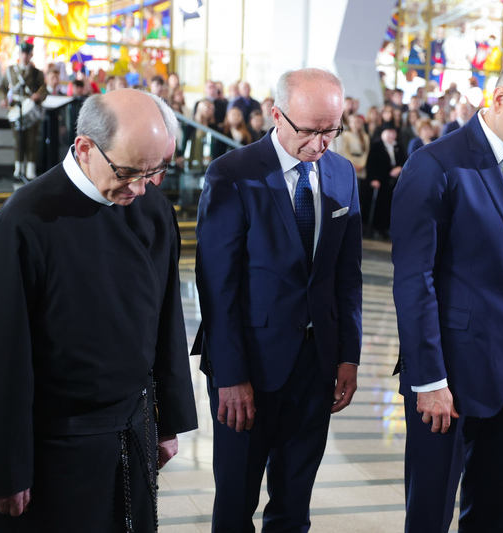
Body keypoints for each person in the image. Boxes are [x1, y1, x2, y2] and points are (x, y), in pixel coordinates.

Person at [0, 89, 198, 531]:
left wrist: (168, 421)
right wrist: (3, 468)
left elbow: (167, 318)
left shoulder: (152, 207)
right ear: (85, 148)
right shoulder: (23, 223)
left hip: (131, 430)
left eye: (155, 171)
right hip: (55, 444)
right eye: (128, 172)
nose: (140, 188)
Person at [391, 47, 503, 533]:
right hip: (447, 376)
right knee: (430, 514)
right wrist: (429, 380)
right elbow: (415, 281)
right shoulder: (435, 165)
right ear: (499, 97)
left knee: (495, 514)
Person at [193, 67, 363, 531]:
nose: (320, 143)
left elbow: (347, 276)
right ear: (276, 115)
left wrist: (348, 356)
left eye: (331, 130)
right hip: (248, 364)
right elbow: (216, 286)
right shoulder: (233, 174)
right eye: (308, 131)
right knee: (236, 501)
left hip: (316, 365)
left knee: (294, 501)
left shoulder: (342, 173)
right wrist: (231, 377)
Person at [0, 42, 46, 180]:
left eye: (27, 53)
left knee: (31, 141)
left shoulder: (37, 73)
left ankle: (30, 170)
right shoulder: (10, 71)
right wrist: (3, 99)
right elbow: (2, 88)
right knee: (17, 140)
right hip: (15, 108)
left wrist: (38, 96)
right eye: (22, 53)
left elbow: (44, 90)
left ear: (31, 55)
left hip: (30, 109)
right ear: (19, 54)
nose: (25, 56)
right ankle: (18, 169)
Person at [366, 124, 405, 238]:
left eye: (393, 133)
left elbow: (404, 161)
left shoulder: (398, 146)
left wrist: (399, 168)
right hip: (380, 180)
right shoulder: (377, 146)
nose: (391, 135)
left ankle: (387, 228)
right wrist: (373, 179)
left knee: (390, 205)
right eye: (388, 132)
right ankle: (376, 229)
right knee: (379, 205)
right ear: (383, 133)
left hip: (394, 181)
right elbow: (371, 164)